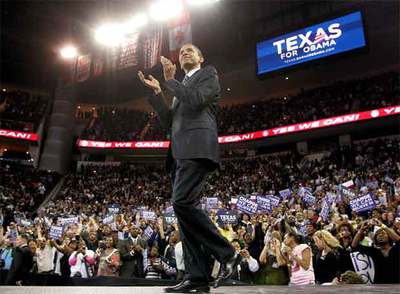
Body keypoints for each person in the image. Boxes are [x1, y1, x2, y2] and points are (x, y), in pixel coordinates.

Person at [138, 44, 238, 293]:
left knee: (181, 202)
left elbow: (195, 101)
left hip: (197, 148)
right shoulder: (178, 88)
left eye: (190, 50)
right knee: (184, 216)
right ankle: (197, 277)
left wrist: (170, 81)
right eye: (181, 51)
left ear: (201, 58)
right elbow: (170, 122)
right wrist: (160, 91)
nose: (184, 53)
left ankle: (228, 254)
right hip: (179, 152)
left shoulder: (208, 75)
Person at [351, 219, 400, 283]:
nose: (380, 235)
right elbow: (354, 246)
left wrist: (383, 226)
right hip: (379, 286)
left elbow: (399, 241)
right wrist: (361, 230)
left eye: (383, 233)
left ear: (389, 237)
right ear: (375, 239)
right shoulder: (374, 251)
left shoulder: (396, 249)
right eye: (377, 234)